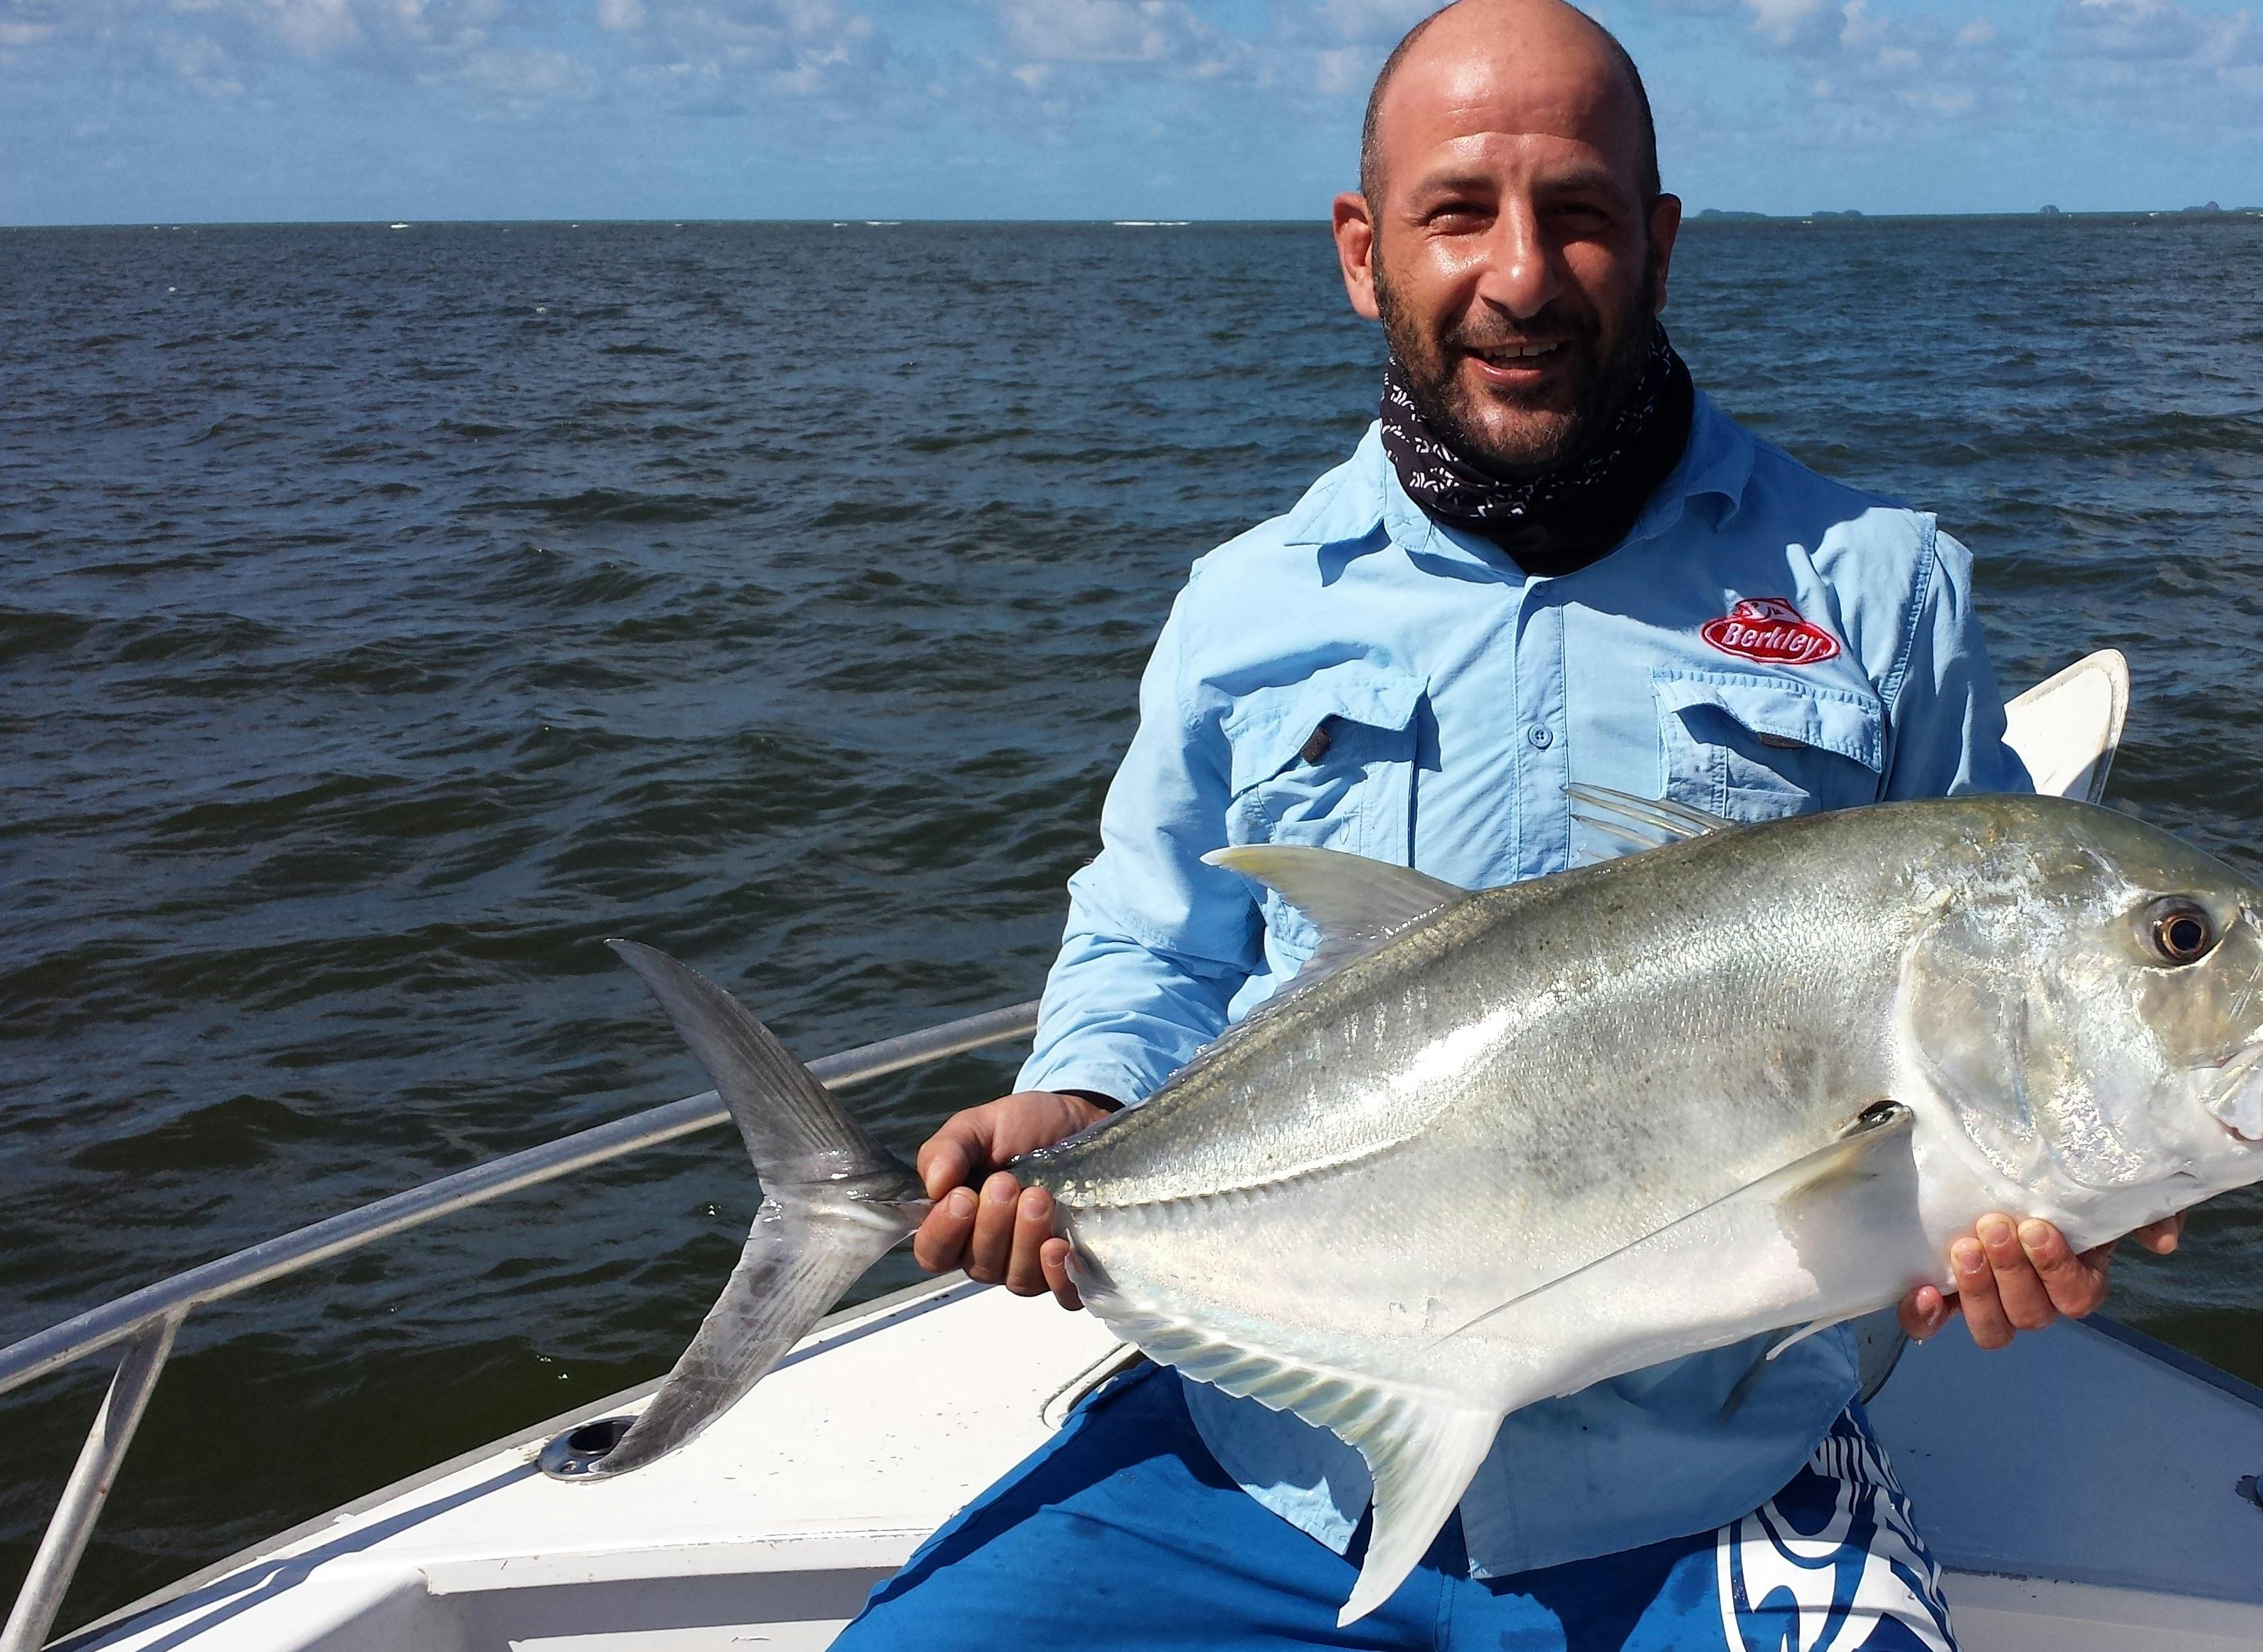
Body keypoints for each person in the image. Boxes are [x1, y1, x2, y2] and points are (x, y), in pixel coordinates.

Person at [834, 2, 2178, 1645]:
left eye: (1582, 214)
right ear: (1360, 250)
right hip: (1270, 1453)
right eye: (1457, 211)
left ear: (1662, 243)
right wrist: (1079, 1102)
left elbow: (1979, 1010)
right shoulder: (1246, 605)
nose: (1523, 276)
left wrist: (2031, 1217)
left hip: (1709, 1478)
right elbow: (1153, 940)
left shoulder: (1877, 586)